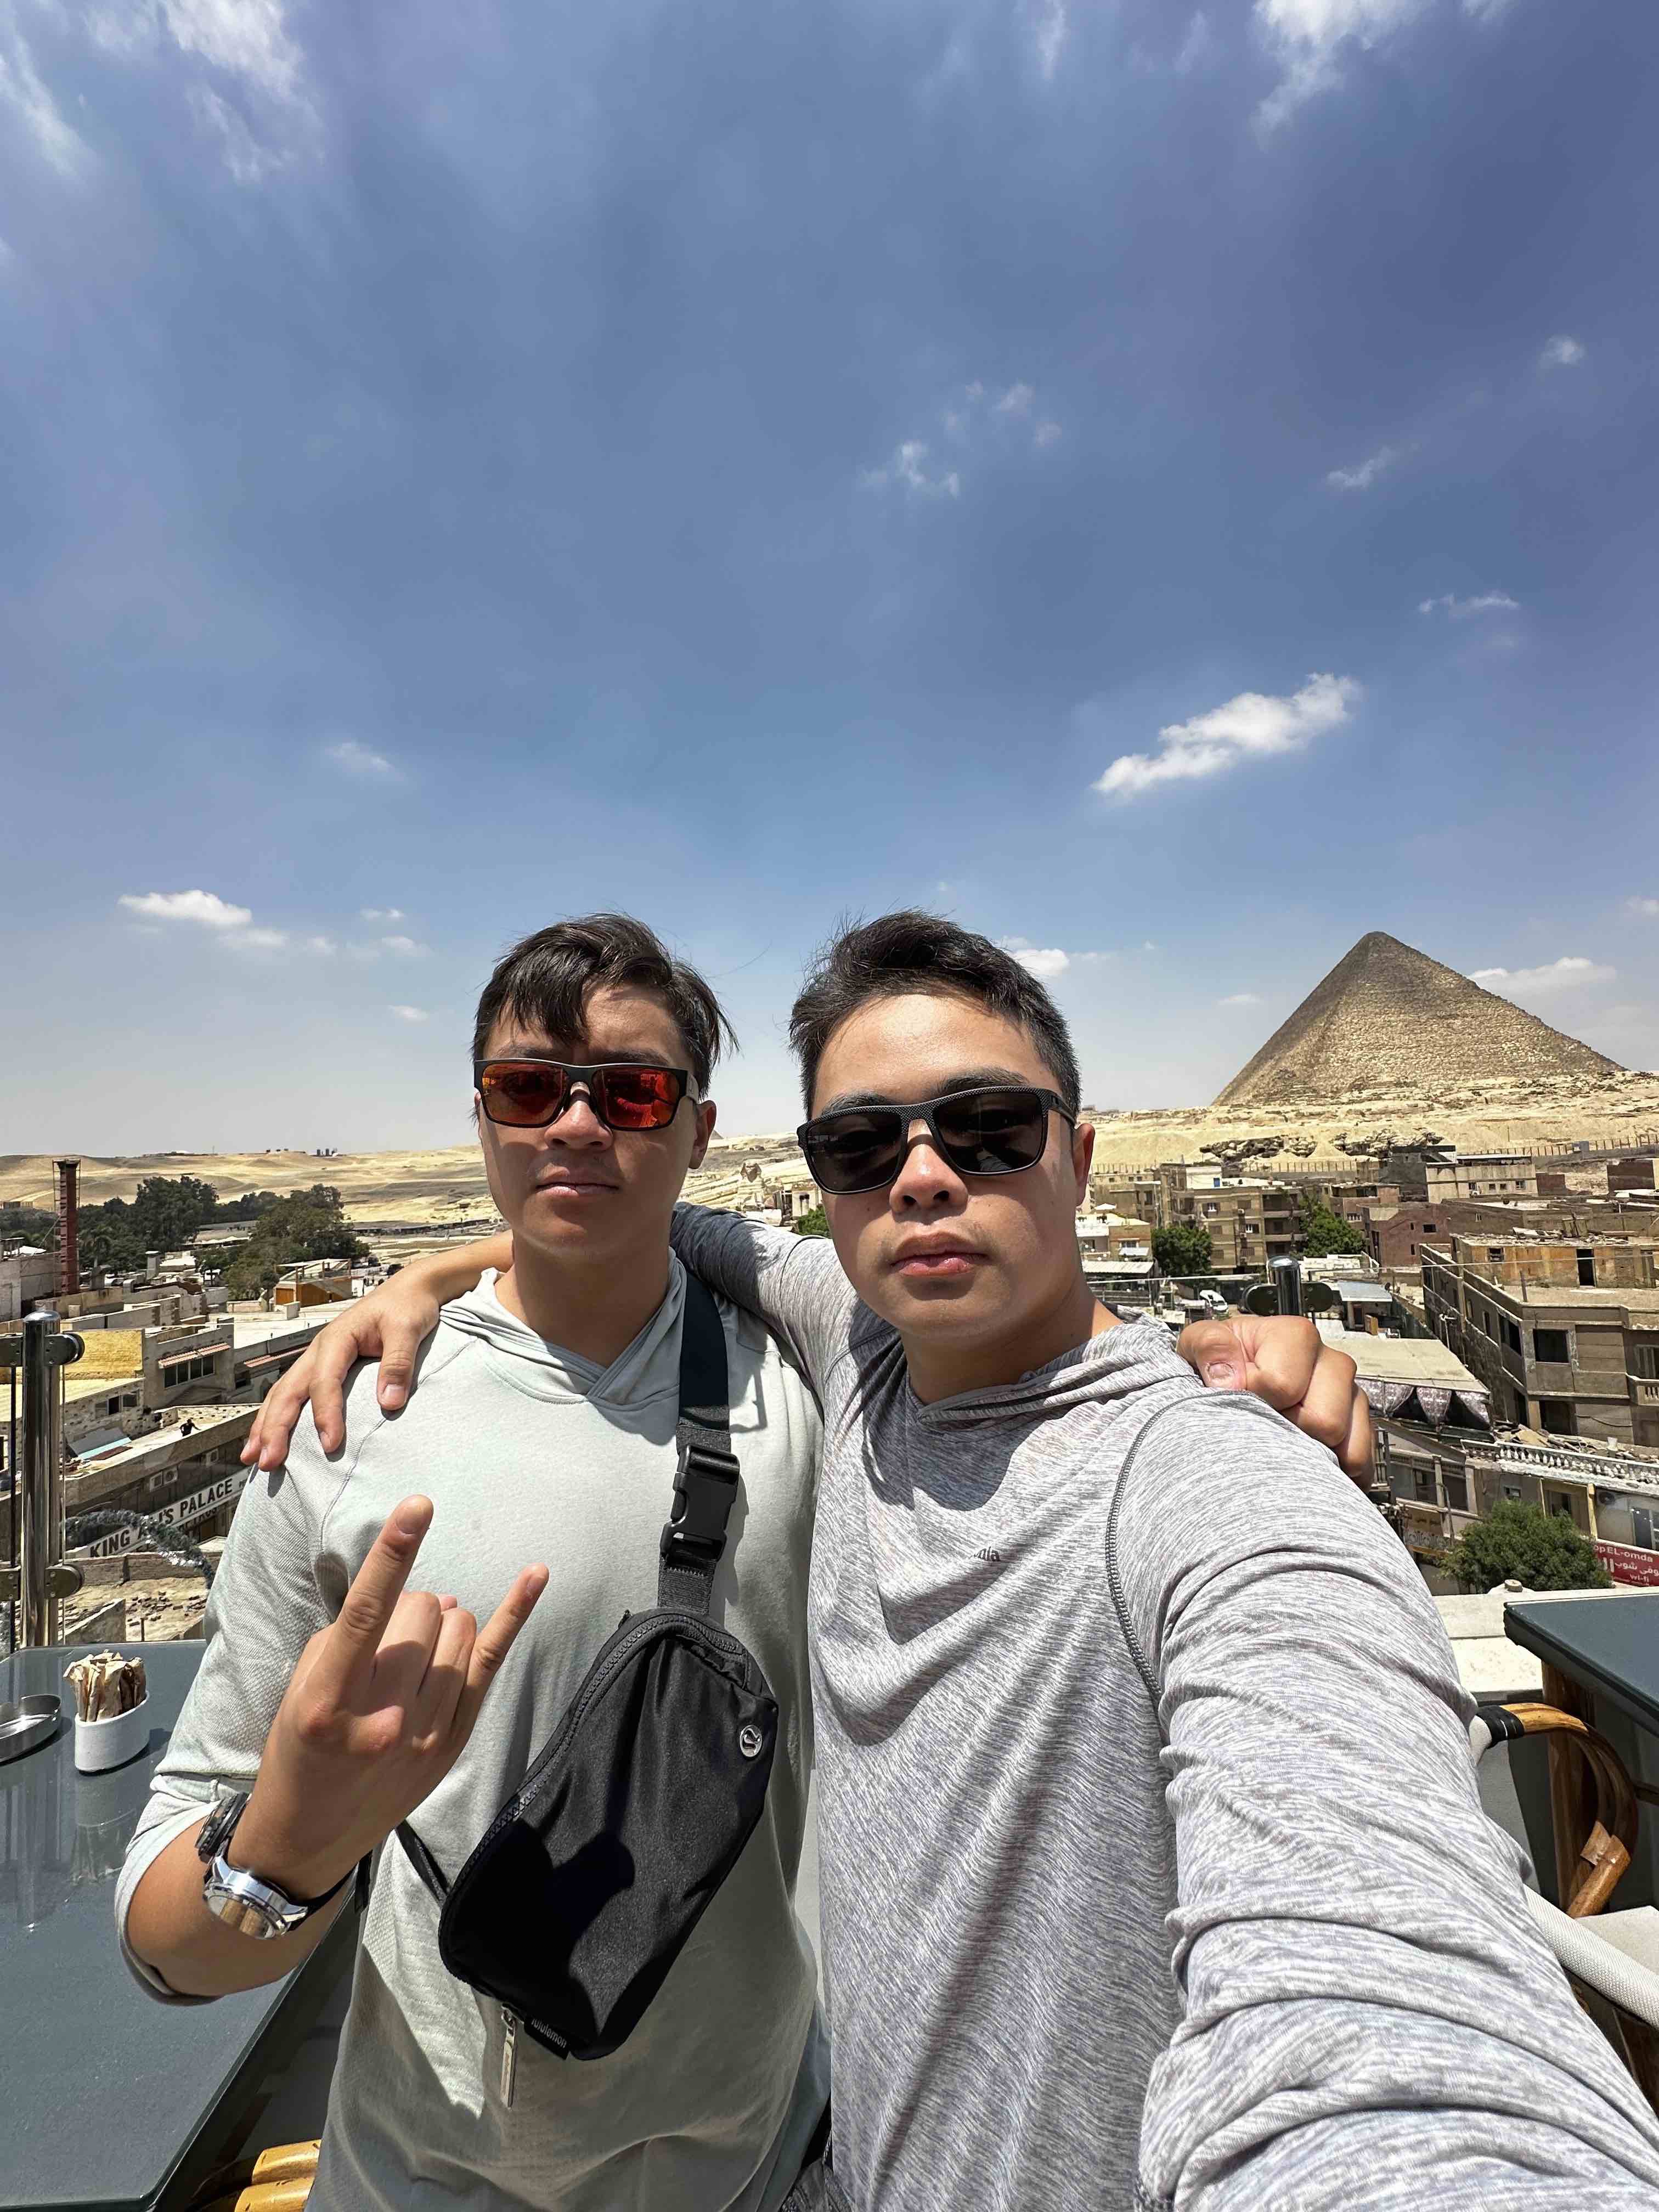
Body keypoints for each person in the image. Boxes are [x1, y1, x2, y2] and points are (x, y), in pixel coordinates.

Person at [253, 910, 1659, 2210]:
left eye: (987, 1129)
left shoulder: (1217, 1481)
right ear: (824, 1184)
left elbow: (1383, 1986)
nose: (922, 1175)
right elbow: (629, 1210)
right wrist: (420, 1278)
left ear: (1083, 1156)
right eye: (863, 1146)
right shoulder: (857, 1341)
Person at [119, 916, 832, 2212]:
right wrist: (287, 1846)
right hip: (426, 2177)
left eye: (629, 1090)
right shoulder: (345, 1423)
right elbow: (171, 1951)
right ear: (484, 1118)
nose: (574, 1124)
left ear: (698, 1129)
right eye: (527, 1088)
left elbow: (1023, 1363)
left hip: (763, 2162)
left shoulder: (813, 1396)